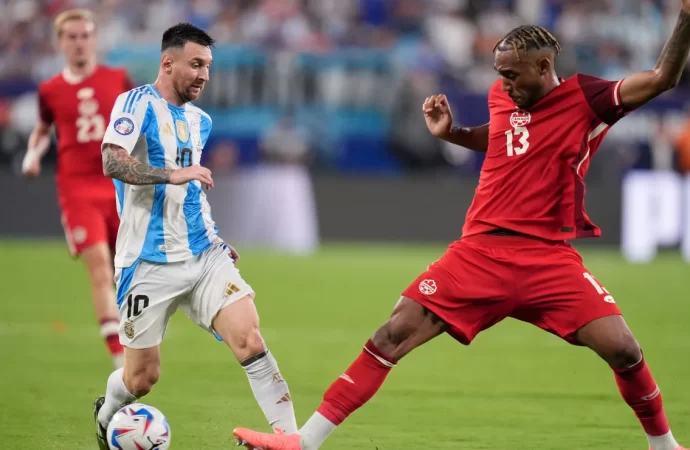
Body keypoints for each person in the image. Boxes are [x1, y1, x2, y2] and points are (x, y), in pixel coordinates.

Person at [233, 2, 690, 450]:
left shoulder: (588, 99)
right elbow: (504, 138)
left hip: (548, 258)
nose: (503, 84)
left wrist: (686, 19)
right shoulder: (502, 99)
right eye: (499, 74)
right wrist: (453, 133)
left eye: (511, 74)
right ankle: (304, 442)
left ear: (544, 65)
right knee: (391, 334)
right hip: (480, 252)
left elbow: (662, 78)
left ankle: (664, 446)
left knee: (625, 351)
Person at [92, 23, 297, 449]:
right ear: (168, 63)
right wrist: (173, 173)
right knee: (141, 379)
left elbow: (191, 194)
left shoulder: (199, 121)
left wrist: (215, 236)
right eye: (196, 64)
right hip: (145, 261)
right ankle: (108, 414)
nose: (204, 75)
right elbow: (112, 162)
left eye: (208, 66)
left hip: (203, 255)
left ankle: (291, 439)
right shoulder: (135, 104)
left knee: (250, 337)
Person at [22, 9, 132, 369]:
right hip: (77, 187)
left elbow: (142, 119)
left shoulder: (117, 79)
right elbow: (42, 129)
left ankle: (135, 337)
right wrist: (32, 155)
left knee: (128, 267)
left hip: (117, 184)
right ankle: (119, 356)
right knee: (99, 264)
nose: (80, 42)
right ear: (60, 42)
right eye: (72, 36)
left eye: (85, 35)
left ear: (94, 39)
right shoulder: (50, 89)